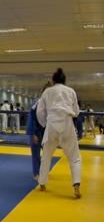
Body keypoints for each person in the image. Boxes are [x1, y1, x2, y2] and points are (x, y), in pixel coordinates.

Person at [37, 68, 82, 198]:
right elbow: (76, 111)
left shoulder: (47, 92)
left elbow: (40, 112)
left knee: (46, 156)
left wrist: (45, 124)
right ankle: (76, 184)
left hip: (51, 124)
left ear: (53, 80)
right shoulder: (71, 91)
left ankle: (42, 183)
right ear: (64, 80)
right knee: (74, 157)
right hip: (67, 123)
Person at [26, 83, 51, 181]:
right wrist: (33, 134)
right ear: (43, 92)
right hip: (36, 131)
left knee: (46, 155)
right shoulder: (36, 103)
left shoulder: (52, 104)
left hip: (46, 132)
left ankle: (43, 171)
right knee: (36, 154)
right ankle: (36, 173)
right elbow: (31, 119)